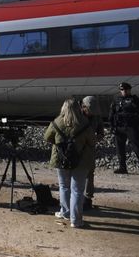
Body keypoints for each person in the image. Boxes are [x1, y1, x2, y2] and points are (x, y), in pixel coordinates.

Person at [44, 98, 95, 228]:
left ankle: (65, 212)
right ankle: (76, 221)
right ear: (78, 109)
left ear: (63, 108)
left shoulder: (57, 122)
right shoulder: (84, 122)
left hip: (61, 159)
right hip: (81, 161)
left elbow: (47, 137)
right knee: (77, 190)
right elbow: (92, 142)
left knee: (63, 186)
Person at [109, 82, 139, 175]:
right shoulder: (117, 100)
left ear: (129, 90)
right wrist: (112, 126)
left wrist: (135, 106)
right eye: (122, 90)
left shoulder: (135, 99)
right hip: (119, 127)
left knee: (138, 148)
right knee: (120, 149)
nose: (124, 91)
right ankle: (122, 168)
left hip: (131, 127)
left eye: (125, 89)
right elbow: (111, 114)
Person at [80, 96, 104, 210]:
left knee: (89, 174)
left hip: (90, 148)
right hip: (77, 148)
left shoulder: (97, 117)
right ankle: (75, 197)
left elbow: (101, 132)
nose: (92, 113)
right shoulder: (76, 115)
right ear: (83, 107)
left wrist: (96, 138)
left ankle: (87, 198)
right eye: (90, 110)